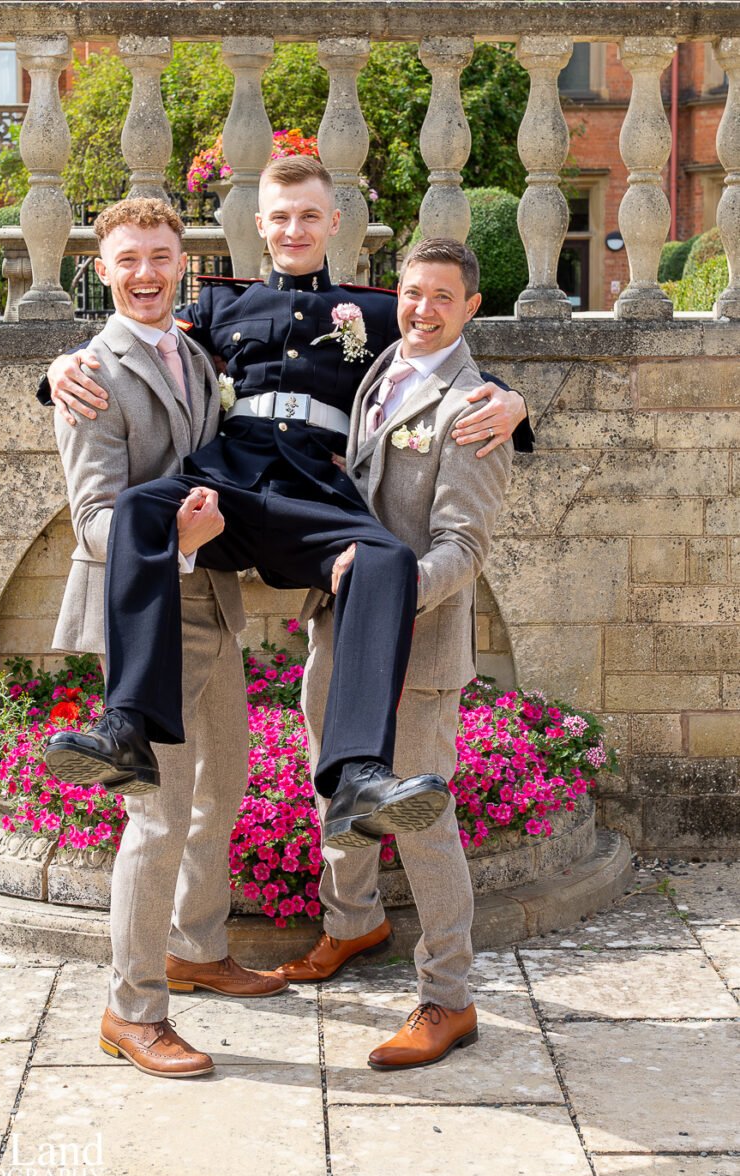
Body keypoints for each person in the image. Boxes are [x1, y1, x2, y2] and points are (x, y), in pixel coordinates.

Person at [43, 156, 533, 851]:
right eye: (281, 216)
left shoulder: (375, 312)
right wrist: (58, 368)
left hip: (316, 494)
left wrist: (513, 401)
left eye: (309, 215)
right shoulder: (217, 305)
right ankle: (126, 728)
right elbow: (137, 334)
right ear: (259, 225)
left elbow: (440, 354)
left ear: (334, 223)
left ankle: (358, 773)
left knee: (387, 560)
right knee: (143, 508)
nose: (295, 228)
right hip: (232, 487)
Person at [52, 196, 287, 1083]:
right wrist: (176, 545)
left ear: (180, 262)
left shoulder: (194, 351)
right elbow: (94, 524)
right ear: (100, 270)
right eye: (128, 260)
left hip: (212, 602)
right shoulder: (89, 374)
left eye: (160, 255)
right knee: (154, 819)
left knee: (219, 792)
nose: (146, 273)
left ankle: (195, 947)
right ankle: (131, 1008)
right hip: (146, 614)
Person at [277, 237, 513, 1071]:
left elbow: (463, 547)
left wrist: (387, 594)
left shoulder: (477, 408)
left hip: (416, 643)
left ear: (471, 308)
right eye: (412, 293)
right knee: (336, 786)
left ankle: (448, 998)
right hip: (339, 631)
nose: (421, 309)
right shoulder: (380, 366)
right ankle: (352, 926)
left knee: (421, 818)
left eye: (441, 297)